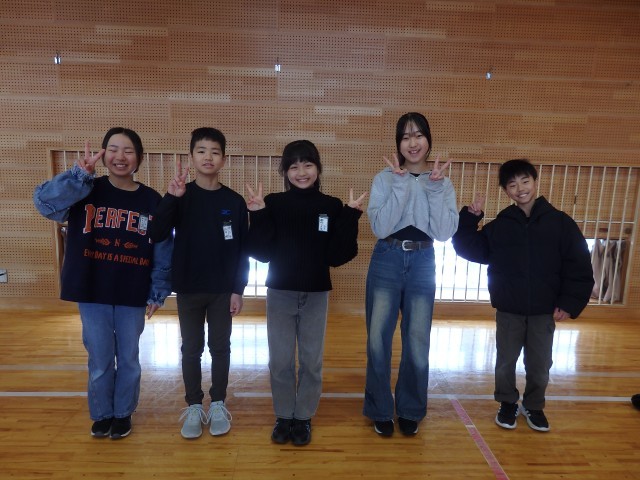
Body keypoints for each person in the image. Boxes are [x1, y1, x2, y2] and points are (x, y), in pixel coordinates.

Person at [33, 127, 173, 439]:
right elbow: (45, 204)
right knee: (99, 358)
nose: (120, 156)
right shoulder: (85, 189)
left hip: (132, 289)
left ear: (139, 158)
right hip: (92, 288)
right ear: (103, 154)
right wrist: (77, 176)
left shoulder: (152, 200)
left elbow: (163, 248)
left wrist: (158, 291)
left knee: (129, 359)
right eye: (113, 149)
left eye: (128, 150)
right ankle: (102, 414)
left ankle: (123, 413)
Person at [452, 158, 594, 432]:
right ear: (506, 191)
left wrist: (568, 303)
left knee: (540, 364)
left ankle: (534, 405)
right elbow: (470, 248)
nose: (520, 189)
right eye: (512, 185)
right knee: (505, 362)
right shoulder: (502, 224)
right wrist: (470, 219)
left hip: (544, 310)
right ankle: (507, 403)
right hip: (509, 309)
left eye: (525, 181)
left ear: (535, 182)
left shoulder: (560, 223)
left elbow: (579, 265)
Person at [245, 140, 366, 446]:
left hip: (316, 295)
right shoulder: (273, 203)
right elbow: (261, 252)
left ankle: (303, 417)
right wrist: (258, 215)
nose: (301, 172)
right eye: (294, 166)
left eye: (308, 164)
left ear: (318, 168)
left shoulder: (331, 206)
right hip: (280, 293)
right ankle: (284, 415)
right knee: (280, 361)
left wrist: (350, 217)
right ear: (285, 172)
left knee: (311, 362)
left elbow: (338, 255)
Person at [148, 127, 249, 439]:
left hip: (222, 290)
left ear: (224, 159)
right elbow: (156, 233)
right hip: (189, 288)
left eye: (215, 152)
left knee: (220, 348)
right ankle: (194, 405)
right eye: (202, 151)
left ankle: (217, 403)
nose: (208, 157)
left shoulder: (234, 201)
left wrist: (238, 289)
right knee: (191, 349)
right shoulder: (181, 195)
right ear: (191, 157)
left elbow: (242, 249)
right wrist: (170, 197)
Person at [364, 112, 458, 437]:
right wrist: (401, 184)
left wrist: (435, 189)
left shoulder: (442, 182)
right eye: (405, 137)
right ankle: (380, 409)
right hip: (387, 257)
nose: (413, 143)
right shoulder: (384, 178)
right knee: (378, 339)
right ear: (398, 143)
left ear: (428, 139)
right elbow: (380, 227)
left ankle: (410, 409)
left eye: (418, 135)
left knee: (417, 339)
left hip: (423, 261)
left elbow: (444, 233)